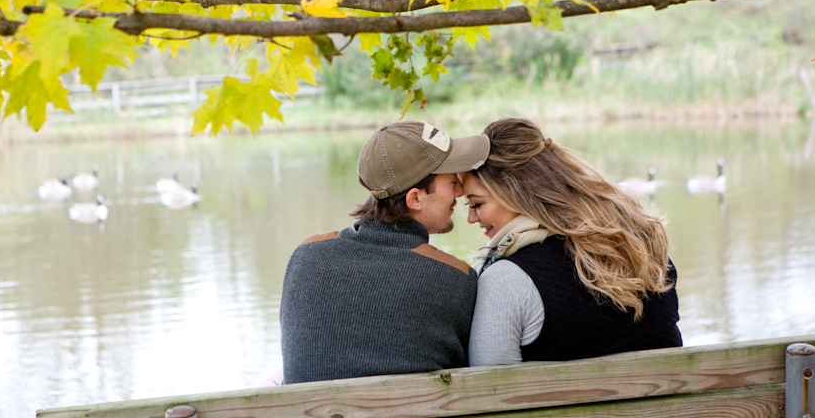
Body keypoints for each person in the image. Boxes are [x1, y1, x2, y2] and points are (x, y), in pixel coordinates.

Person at [279, 121, 490, 384]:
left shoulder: (306, 257)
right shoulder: (454, 277)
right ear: (415, 199)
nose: (460, 190)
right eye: (451, 181)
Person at [463, 118, 682, 365]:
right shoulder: (645, 247)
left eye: (477, 204)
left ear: (516, 193)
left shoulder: (506, 280)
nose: (471, 218)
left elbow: (490, 392)